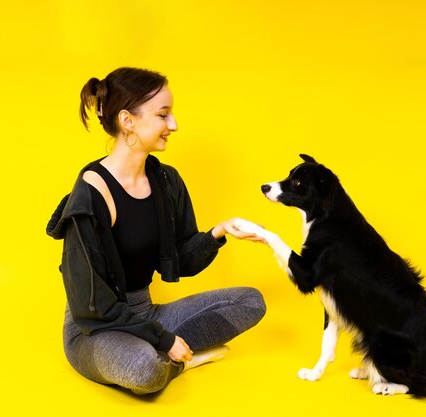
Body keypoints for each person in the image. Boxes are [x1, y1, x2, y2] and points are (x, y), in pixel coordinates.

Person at [46, 67, 267, 395]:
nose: (174, 125)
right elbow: (91, 306)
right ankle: (176, 360)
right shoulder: (90, 194)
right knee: (144, 368)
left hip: (146, 314)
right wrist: (164, 340)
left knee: (251, 301)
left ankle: (165, 353)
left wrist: (219, 232)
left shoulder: (166, 181)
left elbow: (183, 259)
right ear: (128, 120)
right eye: (164, 115)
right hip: (95, 331)